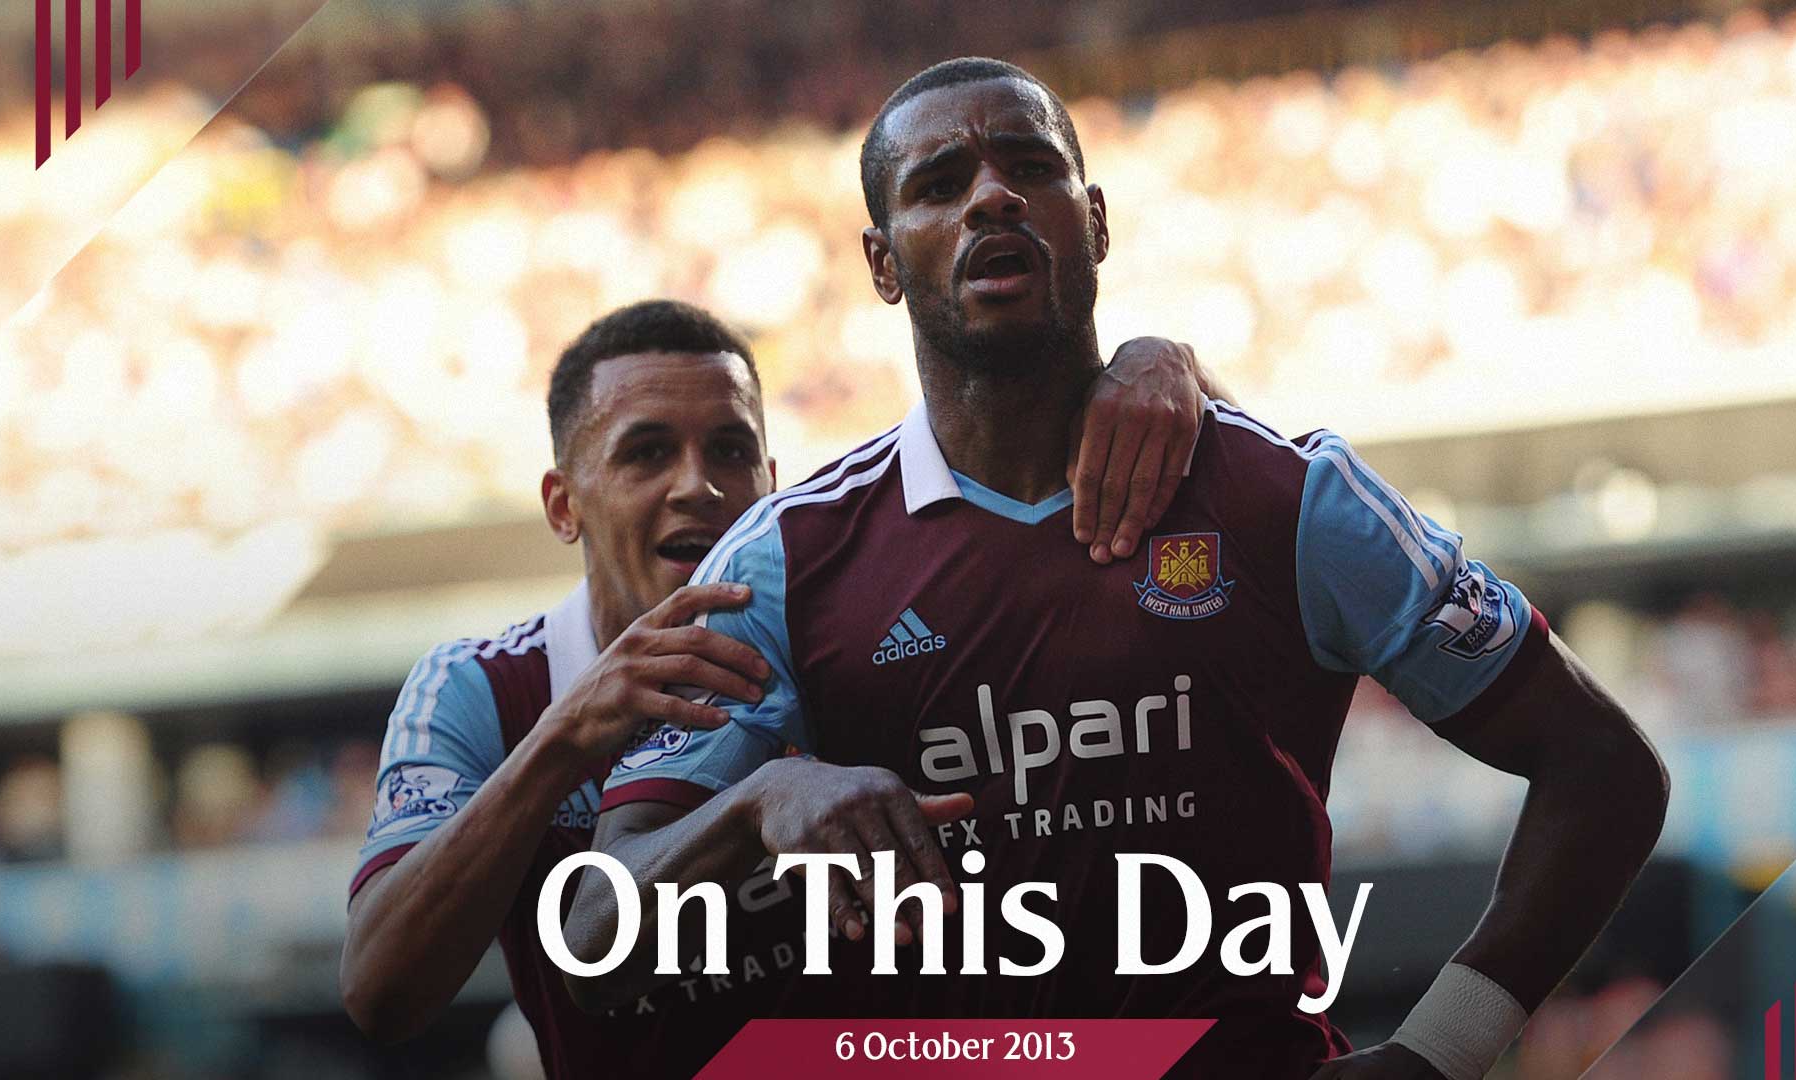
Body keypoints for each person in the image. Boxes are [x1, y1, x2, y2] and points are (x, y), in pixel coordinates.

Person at [564, 59, 1669, 1080]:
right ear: (882, 263)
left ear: (1094, 222)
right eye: (940, 183)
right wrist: (760, 796)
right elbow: (594, 925)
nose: (991, 198)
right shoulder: (788, 559)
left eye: (1030, 168)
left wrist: (1439, 1053)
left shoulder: (1290, 499)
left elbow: (1606, 769)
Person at [338, 297, 1215, 1076]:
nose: (698, 485)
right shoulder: (480, 690)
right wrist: (563, 740)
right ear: (564, 505)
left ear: (772, 483)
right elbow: (381, 994)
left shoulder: (855, 630)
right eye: (646, 454)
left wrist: (1171, 367)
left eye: (731, 449)